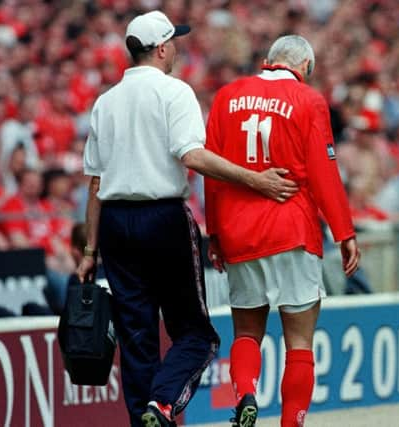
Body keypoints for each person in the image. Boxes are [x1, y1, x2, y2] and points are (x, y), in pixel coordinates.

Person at [75, 11, 299, 427]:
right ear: (162, 48)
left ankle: (147, 415)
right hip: (162, 218)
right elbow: (192, 155)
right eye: (173, 41)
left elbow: (94, 183)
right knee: (197, 335)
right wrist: (255, 180)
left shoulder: (104, 102)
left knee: (137, 340)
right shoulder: (174, 92)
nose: (176, 47)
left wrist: (90, 250)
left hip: (114, 224)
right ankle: (161, 405)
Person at [204, 35, 360, 427]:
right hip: (292, 229)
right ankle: (291, 422)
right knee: (300, 342)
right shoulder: (308, 101)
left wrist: (215, 234)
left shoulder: (227, 97)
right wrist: (344, 232)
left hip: (239, 231)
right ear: (305, 66)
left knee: (246, 332)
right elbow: (324, 174)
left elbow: (211, 173)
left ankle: (246, 393)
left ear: (269, 60)